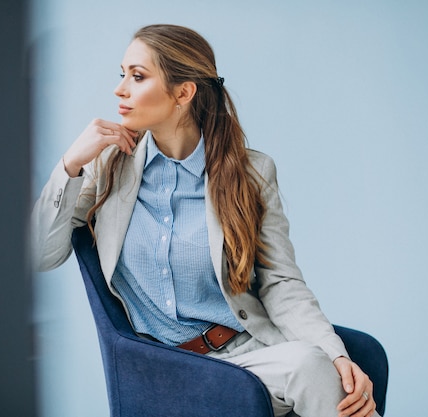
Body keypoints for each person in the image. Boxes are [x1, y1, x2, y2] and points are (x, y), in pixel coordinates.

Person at [31, 24, 379, 417]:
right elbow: (39, 254)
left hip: (248, 355)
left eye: (138, 76)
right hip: (167, 370)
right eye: (122, 74)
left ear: (184, 92)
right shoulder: (106, 165)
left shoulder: (251, 173)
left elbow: (282, 283)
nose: (120, 89)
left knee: (317, 367)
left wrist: (336, 356)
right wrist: (70, 164)